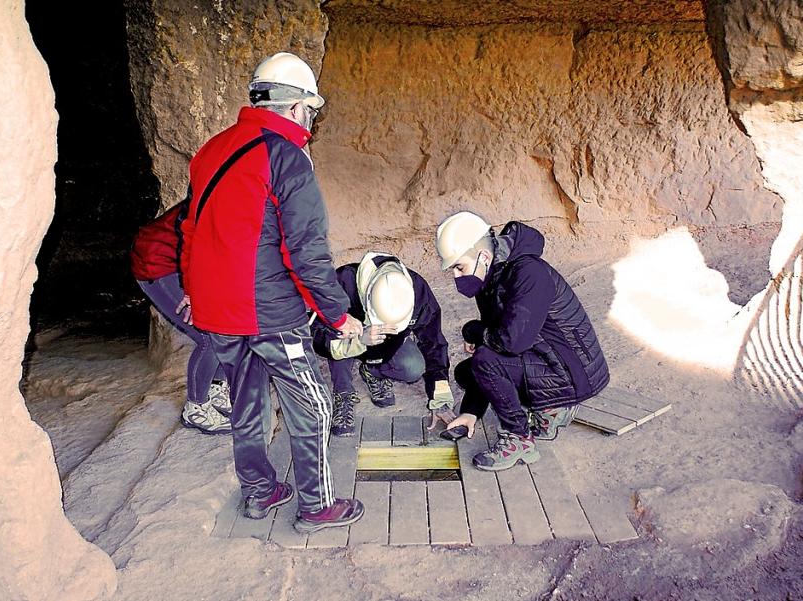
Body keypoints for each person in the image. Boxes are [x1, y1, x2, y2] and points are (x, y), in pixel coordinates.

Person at [179, 52, 365, 533]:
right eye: (311, 111)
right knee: (313, 405)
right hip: (269, 313)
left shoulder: (213, 149)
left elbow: (190, 230)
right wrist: (338, 315)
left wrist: (193, 291)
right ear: (298, 106)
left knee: (247, 402)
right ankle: (317, 505)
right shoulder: (288, 158)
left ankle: (260, 493)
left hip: (218, 312)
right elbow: (305, 252)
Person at [436, 211, 609, 471]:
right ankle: (544, 410)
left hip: (573, 374)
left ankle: (521, 437)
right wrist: (471, 411)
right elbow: (495, 341)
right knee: (468, 370)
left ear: (483, 256)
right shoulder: (493, 275)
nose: (457, 277)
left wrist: (473, 330)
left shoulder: (529, 273)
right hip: (546, 360)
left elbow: (509, 343)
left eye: (459, 267)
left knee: (484, 361)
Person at [310, 252, 455, 437]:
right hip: (351, 342)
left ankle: (373, 372)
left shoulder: (416, 291)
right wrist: (357, 340)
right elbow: (317, 335)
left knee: (413, 368)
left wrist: (440, 397)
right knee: (338, 330)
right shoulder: (344, 282)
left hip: (388, 346)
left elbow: (434, 343)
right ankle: (343, 392)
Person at [130, 200, 231, 434]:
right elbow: (197, 247)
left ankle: (216, 389)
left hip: (183, 261)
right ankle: (196, 408)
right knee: (210, 336)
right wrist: (192, 292)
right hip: (156, 262)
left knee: (228, 326)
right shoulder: (220, 202)